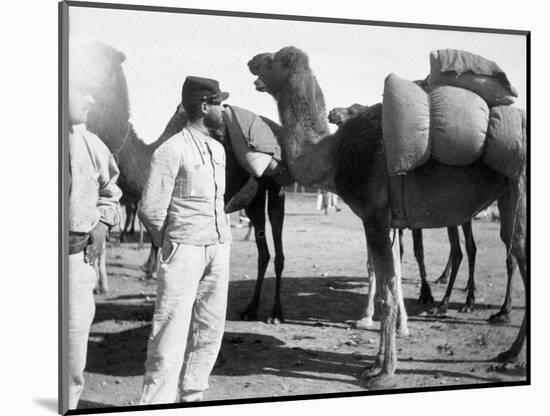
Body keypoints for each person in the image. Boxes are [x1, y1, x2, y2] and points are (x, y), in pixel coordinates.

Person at [138, 76, 231, 404]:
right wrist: (173, 242)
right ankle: (156, 403)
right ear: (204, 106)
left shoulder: (218, 150)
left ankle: (192, 396)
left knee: (210, 328)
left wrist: (220, 243)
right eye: (219, 103)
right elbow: (150, 208)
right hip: (184, 250)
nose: (223, 108)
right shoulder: (171, 150)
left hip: (217, 249)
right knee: (170, 331)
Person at [67, 85, 122, 409]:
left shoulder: (90, 144)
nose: (90, 99)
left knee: (72, 355)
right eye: (80, 90)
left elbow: (110, 192)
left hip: (75, 260)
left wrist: (102, 223)